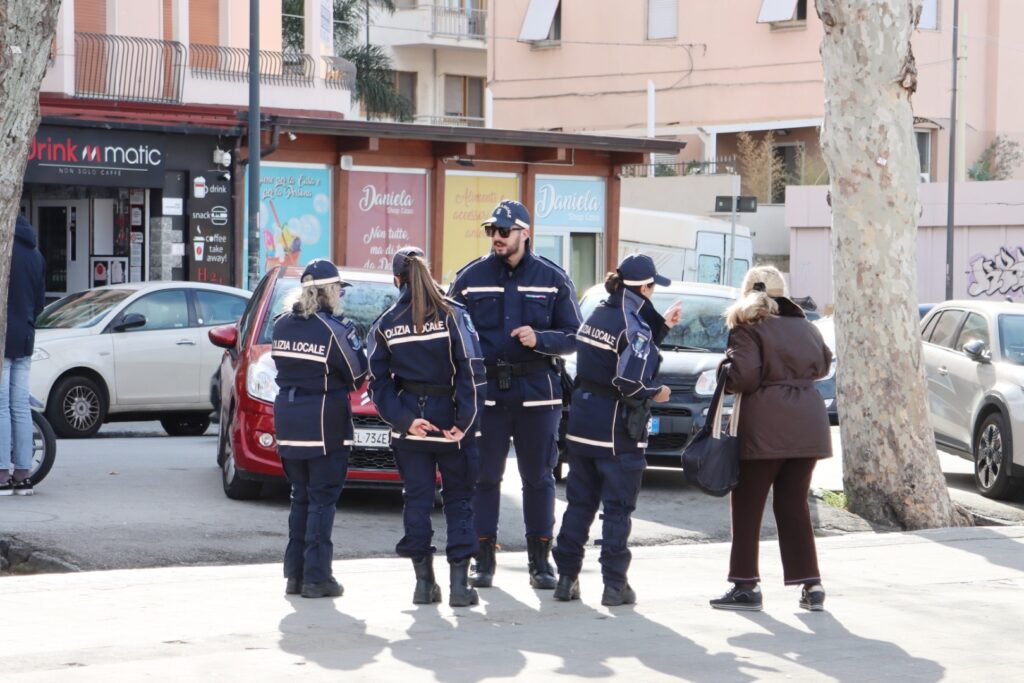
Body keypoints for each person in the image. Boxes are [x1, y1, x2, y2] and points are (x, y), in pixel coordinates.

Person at [449, 200, 582, 590]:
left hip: (537, 394)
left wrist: (540, 338)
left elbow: (575, 336)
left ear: (525, 233)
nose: (497, 237)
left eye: (504, 231)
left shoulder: (553, 279)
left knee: (538, 479)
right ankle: (483, 560)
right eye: (492, 230)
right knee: (484, 478)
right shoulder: (469, 278)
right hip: (486, 395)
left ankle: (540, 562)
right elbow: (452, 331)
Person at [551, 254, 681, 606]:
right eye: (654, 287)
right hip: (616, 430)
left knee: (579, 504)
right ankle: (614, 585)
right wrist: (658, 391)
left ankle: (565, 579)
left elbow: (617, 348)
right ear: (645, 288)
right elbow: (629, 379)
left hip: (581, 423)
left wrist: (661, 327)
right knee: (617, 509)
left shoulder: (598, 313)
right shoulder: (634, 326)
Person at [709, 265, 833, 613]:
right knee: (793, 505)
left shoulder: (747, 326)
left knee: (748, 505)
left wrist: (724, 370)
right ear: (783, 292)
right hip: (808, 423)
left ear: (746, 291)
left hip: (764, 425)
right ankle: (812, 584)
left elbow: (744, 377)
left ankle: (745, 584)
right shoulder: (806, 326)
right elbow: (823, 366)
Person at [368, 246, 486, 607]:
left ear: (395, 279)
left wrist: (404, 419)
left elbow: (377, 381)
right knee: (459, 499)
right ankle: (460, 588)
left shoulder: (385, 322)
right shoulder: (454, 315)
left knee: (416, 500)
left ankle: (423, 586)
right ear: (428, 273)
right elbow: (472, 370)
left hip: (410, 424)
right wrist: (464, 423)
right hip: (451, 419)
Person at [271, 259, 368, 599]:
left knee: (300, 497)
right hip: (325, 421)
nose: (341, 294)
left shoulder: (281, 325)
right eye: (339, 289)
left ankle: (294, 576)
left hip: (287, 417)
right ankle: (317, 576)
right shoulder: (335, 329)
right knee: (322, 500)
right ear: (329, 291)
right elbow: (358, 374)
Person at [1, 214, 46, 497]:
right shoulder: (35, 255)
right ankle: (23, 474)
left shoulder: (5, 251)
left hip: (3, 336)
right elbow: (40, 302)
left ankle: (2, 473)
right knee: (19, 405)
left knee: (1, 405)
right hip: (26, 335)